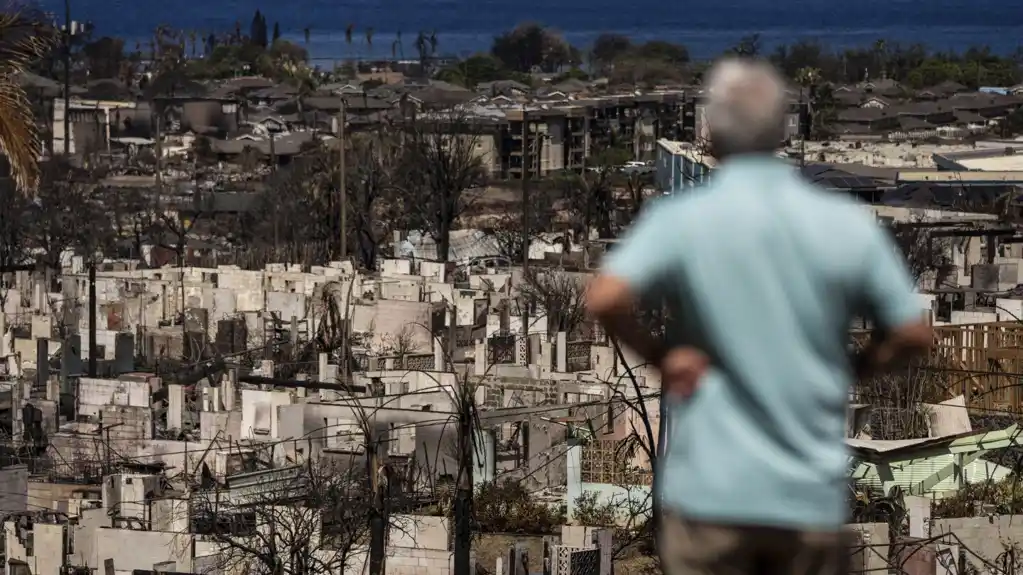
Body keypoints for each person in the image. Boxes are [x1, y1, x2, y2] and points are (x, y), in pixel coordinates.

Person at [585, 57, 933, 575]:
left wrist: (662, 358)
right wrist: (856, 369)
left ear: (711, 134)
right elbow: (912, 331)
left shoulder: (682, 218)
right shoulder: (841, 223)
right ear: (783, 132)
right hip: (806, 500)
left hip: (709, 497)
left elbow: (606, 298)